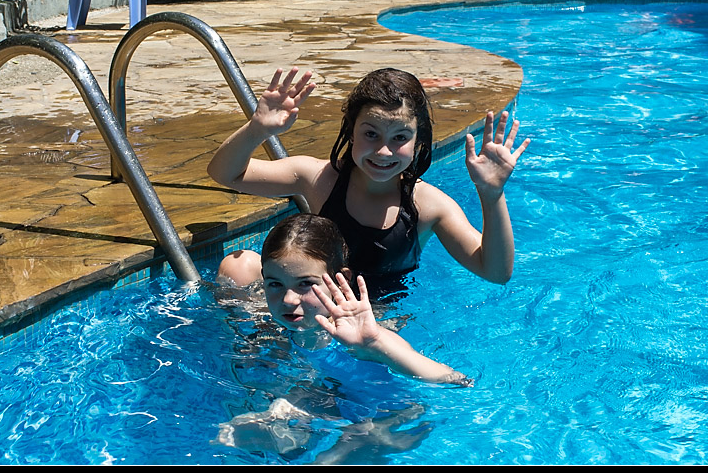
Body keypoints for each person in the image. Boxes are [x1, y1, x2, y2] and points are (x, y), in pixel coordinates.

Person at [207, 67, 530, 289]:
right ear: (351, 131)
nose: (384, 151)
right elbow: (225, 174)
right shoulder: (319, 178)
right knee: (238, 266)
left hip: (375, 318)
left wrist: (492, 195)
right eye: (371, 134)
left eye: (400, 137)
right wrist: (257, 130)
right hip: (309, 297)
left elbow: (495, 272)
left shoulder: (429, 206)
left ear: (418, 142)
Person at [258, 213, 469, 384]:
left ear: (341, 281)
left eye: (305, 283)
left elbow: (455, 379)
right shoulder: (269, 330)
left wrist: (374, 342)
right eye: (275, 284)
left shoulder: (366, 332)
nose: (289, 300)